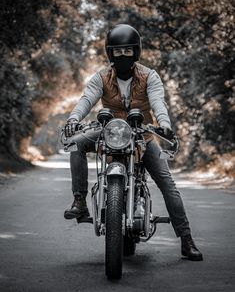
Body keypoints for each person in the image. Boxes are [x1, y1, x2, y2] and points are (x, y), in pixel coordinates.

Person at [63, 24, 203, 261]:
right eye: (118, 51)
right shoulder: (101, 77)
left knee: (168, 184)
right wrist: (74, 118)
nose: (123, 56)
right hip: (110, 132)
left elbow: (159, 102)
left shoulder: (150, 76)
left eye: (128, 51)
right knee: (75, 143)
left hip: (143, 136)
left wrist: (164, 124)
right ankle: (79, 200)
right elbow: (87, 99)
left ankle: (186, 239)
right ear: (110, 53)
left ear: (136, 52)